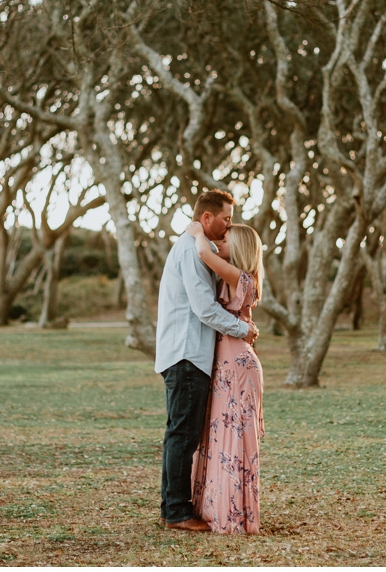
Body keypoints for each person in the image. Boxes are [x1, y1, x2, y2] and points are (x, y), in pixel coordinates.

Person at [155, 189, 258, 532]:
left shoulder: (200, 249)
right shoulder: (192, 251)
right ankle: (177, 512)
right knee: (183, 434)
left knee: (180, 433)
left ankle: (171, 507)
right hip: (187, 354)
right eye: (226, 218)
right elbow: (204, 308)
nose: (229, 224)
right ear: (207, 217)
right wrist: (241, 329)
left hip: (191, 354)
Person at [187, 221, 265, 534]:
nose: (221, 241)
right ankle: (219, 507)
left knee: (233, 436)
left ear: (241, 246)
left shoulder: (240, 276)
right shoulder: (238, 276)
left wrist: (197, 232)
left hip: (237, 364)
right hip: (229, 363)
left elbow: (204, 253)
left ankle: (234, 514)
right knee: (220, 434)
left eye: (227, 238)